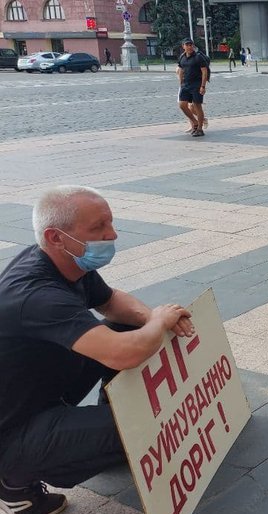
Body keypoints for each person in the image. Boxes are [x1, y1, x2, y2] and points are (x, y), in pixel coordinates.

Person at [0, 186, 195, 514]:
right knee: (147, 424)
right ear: (56, 237)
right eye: (98, 228)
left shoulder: (62, 263)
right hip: (13, 430)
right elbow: (124, 354)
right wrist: (160, 322)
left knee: (133, 327)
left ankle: (104, 431)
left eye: (110, 222)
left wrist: (150, 317)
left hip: (39, 390)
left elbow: (110, 301)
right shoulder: (35, 295)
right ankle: (13, 484)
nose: (112, 234)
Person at [177, 38, 208, 137]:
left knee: (197, 106)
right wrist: (181, 82)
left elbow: (204, 71)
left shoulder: (198, 57)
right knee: (182, 105)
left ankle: (199, 128)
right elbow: (181, 69)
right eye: (187, 45)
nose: (190, 47)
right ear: (183, 47)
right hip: (185, 85)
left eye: (191, 45)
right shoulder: (182, 57)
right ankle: (194, 122)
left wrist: (203, 86)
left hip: (196, 85)